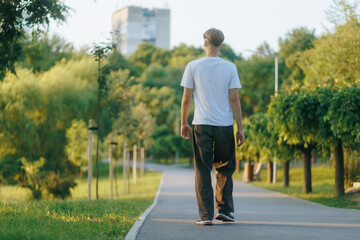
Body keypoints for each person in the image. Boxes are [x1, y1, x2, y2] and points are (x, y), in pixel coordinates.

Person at [180, 28, 245, 226]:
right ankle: (224, 211)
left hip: (201, 124)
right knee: (224, 168)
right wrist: (240, 128)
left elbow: (186, 98)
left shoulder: (193, 66)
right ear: (221, 45)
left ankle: (205, 216)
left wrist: (183, 123)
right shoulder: (230, 67)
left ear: (205, 43)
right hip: (224, 125)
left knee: (202, 169)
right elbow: (234, 99)